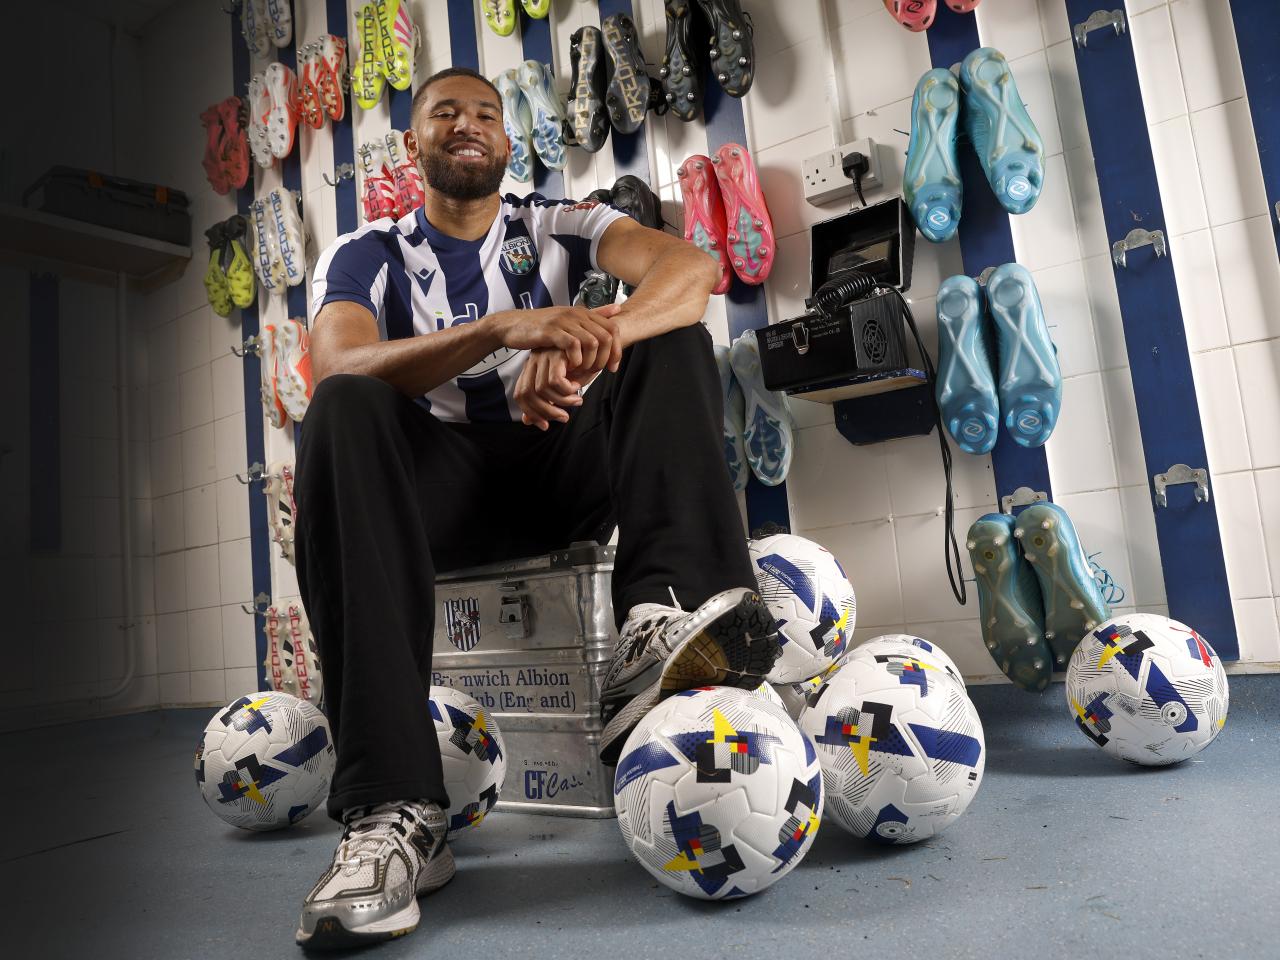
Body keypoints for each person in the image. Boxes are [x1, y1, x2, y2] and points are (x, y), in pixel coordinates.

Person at [292, 66, 780, 949]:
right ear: (415, 145)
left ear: (508, 143)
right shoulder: (367, 250)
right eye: (444, 113)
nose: (467, 124)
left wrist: (595, 340)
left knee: (670, 337)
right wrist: (502, 333)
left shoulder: (558, 220)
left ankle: (660, 624)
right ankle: (393, 808)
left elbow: (692, 267)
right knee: (344, 406)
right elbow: (338, 361)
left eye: (485, 113)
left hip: (557, 474)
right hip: (434, 502)